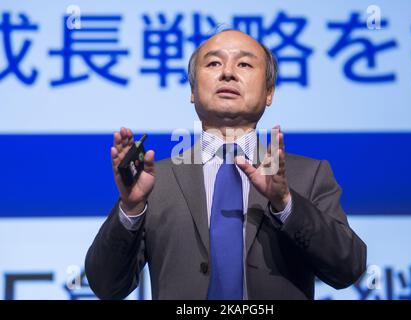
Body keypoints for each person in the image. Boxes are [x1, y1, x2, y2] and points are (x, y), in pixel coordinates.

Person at [85, 30, 367, 300]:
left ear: (269, 93)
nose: (228, 72)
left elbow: (347, 269)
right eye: (214, 63)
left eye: (244, 63)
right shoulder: (155, 181)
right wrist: (131, 209)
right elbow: (108, 287)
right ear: (193, 90)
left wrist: (285, 203)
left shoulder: (309, 175)